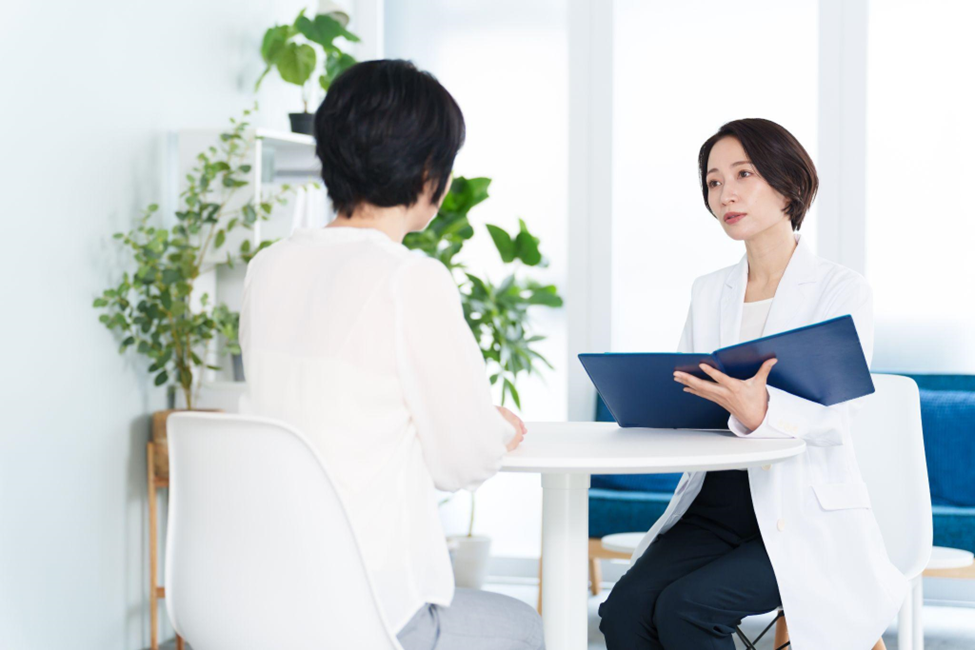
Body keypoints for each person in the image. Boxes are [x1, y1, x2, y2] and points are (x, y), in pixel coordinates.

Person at [238, 59, 544, 650]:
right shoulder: (409, 279)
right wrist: (494, 433)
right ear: (430, 170)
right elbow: (462, 462)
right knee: (525, 629)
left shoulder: (268, 266)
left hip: (265, 596)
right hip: (370, 610)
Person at [597, 118, 907, 650]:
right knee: (622, 611)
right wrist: (657, 400)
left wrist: (762, 409)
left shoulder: (841, 290)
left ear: (789, 184)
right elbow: (692, 391)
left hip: (799, 507)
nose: (726, 194)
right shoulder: (708, 291)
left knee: (686, 608)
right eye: (714, 182)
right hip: (714, 503)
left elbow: (838, 417)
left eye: (744, 174)